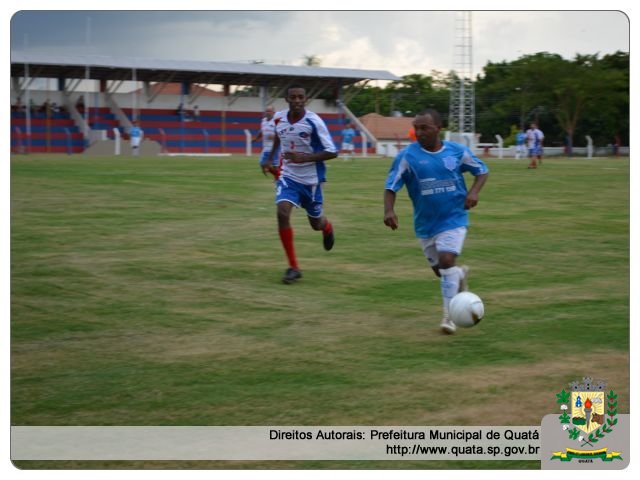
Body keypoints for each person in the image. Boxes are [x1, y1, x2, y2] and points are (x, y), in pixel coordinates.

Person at [383, 109, 489, 334]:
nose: (419, 132)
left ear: (438, 129)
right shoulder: (407, 156)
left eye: (424, 128)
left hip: (454, 217)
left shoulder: (457, 151)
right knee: (442, 271)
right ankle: (459, 276)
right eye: (416, 128)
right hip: (425, 224)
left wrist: (474, 192)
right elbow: (391, 185)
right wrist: (389, 210)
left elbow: (482, 171)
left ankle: (449, 317)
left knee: (447, 259)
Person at [261, 85, 338, 284]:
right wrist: (270, 159)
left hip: (311, 180)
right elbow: (279, 135)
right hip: (288, 176)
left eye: (300, 97)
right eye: (293, 97)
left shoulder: (314, 121)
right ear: (286, 99)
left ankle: (326, 226)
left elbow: (332, 151)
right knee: (282, 212)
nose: (297, 100)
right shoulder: (279, 118)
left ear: (305, 99)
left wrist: (304, 158)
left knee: (315, 224)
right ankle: (293, 267)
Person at [253, 105, 280, 170]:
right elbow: (262, 131)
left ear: (273, 112)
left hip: (275, 147)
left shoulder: (276, 121)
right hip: (266, 147)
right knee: (262, 164)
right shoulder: (263, 121)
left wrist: (274, 137)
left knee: (275, 165)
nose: (268, 112)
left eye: (269, 111)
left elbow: (281, 134)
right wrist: (256, 138)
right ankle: (276, 176)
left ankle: (278, 177)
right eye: (266, 111)